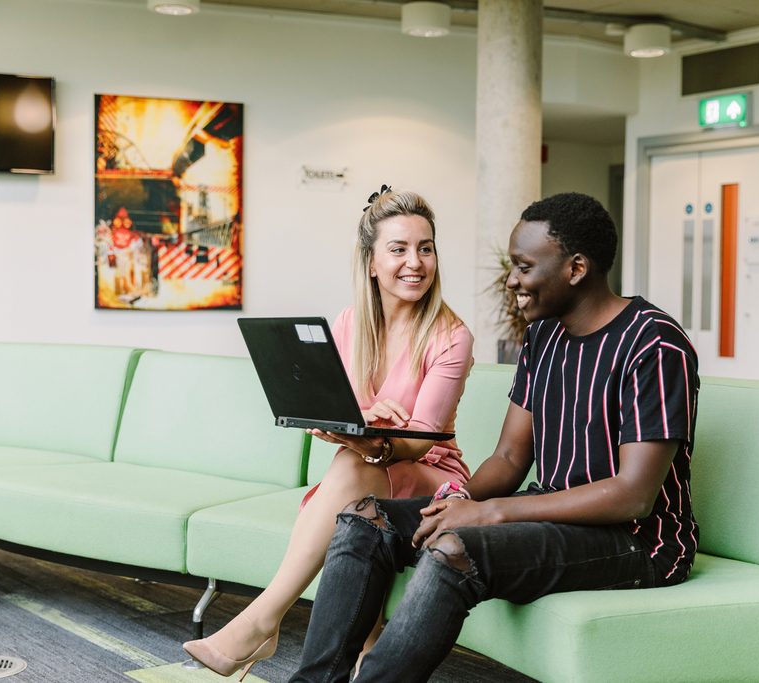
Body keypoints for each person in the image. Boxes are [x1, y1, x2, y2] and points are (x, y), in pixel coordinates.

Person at [287, 192, 700, 683]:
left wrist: (488, 512)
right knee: (364, 520)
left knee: (456, 549)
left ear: (576, 268)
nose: (511, 281)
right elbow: (508, 456)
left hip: (638, 543)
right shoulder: (544, 337)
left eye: (524, 267)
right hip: (555, 515)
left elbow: (633, 496)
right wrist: (459, 500)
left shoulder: (653, 343)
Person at [183, 186, 473, 680]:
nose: (415, 262)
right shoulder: (349, 322)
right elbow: (322, 413)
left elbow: (419, 442)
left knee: (351, 466)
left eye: (425, 248)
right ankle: (367, 645)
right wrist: (362, 422)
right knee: (352, 468)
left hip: (434, 478)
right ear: (371, 263)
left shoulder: (451, 336)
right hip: (366, 472)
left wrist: (364, 433)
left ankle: (261, 621)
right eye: (398, 249)